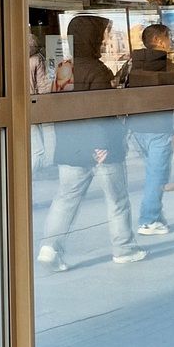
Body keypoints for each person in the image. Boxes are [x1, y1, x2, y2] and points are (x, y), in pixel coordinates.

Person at [37, 15, 146, 270]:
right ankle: (124, 248)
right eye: (102, 35)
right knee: (117, 200)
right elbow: (101, 111)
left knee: (66, 198)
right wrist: (103, 143)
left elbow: (61, 109)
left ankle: (49, 248)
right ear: (91, 38)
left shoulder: (64, 68)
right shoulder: (97, 70)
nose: (105, 40)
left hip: (71, 146)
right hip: (102, 148)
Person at [127, 23, 174, 236]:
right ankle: (148, 220)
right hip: (159, 127)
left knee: (153, 173)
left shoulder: (133, 65)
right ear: (159, 40)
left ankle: (156, 216)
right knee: (157, 175)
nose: (171, 42)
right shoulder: (169, 67)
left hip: (136, 127)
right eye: (169, 38)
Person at [29, 32, 55, 172]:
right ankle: (47, 163)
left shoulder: (14, 59)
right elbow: (43, 85)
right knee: (48, 130)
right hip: (39, 102)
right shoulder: (37, 59)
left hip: (24, 104)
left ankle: (33, 169)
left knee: (35, 140)